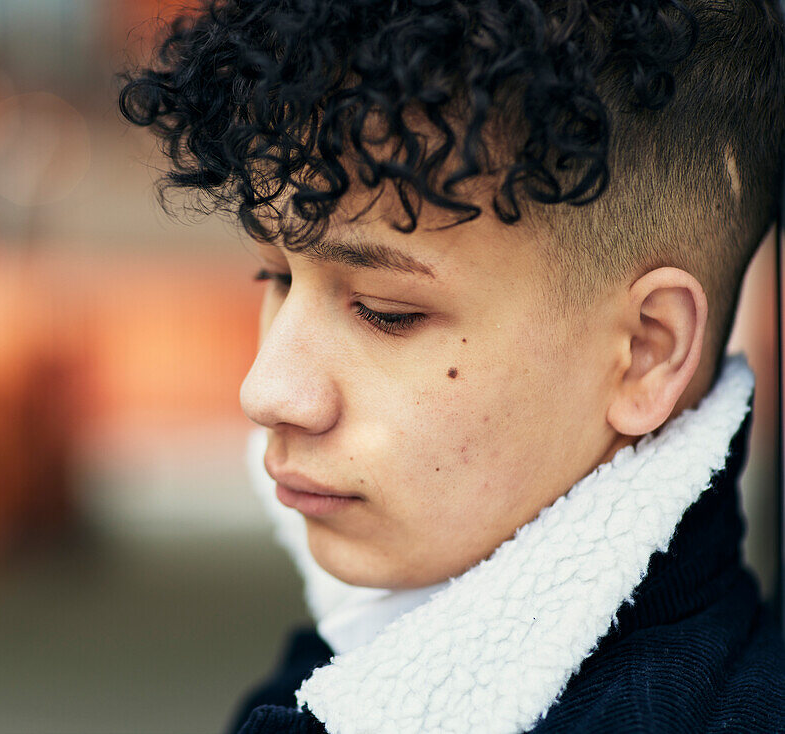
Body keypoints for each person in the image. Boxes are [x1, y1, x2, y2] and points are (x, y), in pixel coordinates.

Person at [119, 0, 785, 731]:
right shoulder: (347, 669)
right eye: (275, 278)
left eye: (386, 311)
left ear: (646, 351)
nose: (268, 391)